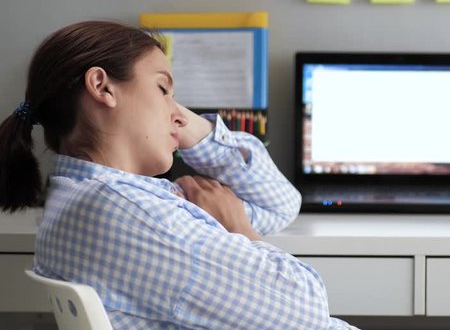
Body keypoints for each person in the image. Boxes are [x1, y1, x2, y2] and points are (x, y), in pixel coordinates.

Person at [0, 21, 355, 329]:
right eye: (162, 88)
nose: (179, 115)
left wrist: (179, 121)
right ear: (103, 87)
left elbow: (280, 205)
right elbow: (307, 310)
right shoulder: (134, 215)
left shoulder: (98, 197)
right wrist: (241, 231)